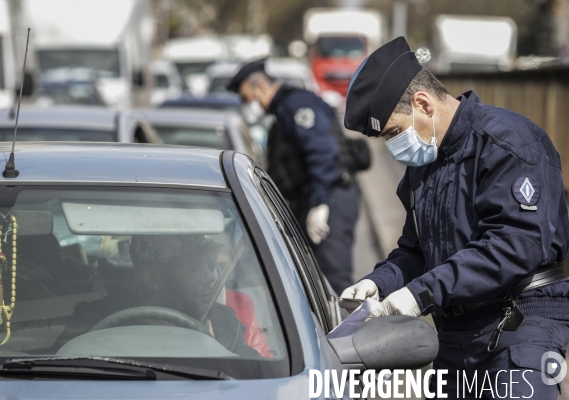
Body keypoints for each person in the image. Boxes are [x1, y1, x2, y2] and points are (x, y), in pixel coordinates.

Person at [340, 37, 569, 399]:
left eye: (394, 133)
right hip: (455, 333)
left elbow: (514, 245)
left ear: (423, 103)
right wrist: (378, 283)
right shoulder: (424, 166)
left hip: (518, 325)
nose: (394, 146)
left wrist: (419, 294)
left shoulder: (507, 143)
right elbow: (416, 250)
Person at [228, 58, 362, 294]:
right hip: (315, 199)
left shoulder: (297, 105)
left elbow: (323, 152)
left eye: (245, 97)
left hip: (330, 198)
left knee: (335, 283)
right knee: (315, 286)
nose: (245, 104)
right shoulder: (282, 113)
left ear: (260, 87)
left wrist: (320, 204)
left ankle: (353, 331)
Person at [53, 234, 259, 358]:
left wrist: (215, 350)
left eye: (208, 264)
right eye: (192, 268)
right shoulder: (92, 319)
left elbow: (254, 380)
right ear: (153, 278)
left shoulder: (221, 321)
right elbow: (56, 372)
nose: (209, 277)